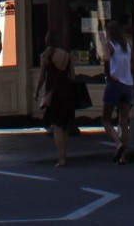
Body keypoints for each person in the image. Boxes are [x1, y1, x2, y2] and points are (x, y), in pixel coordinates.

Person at [31, 28, 77, 168]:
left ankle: (61, 158)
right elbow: (73, 77)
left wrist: (37, 91)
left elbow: (41, 78)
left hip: (53, 92)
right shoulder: (67, 56)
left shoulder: (45, 56)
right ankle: (65, 156)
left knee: (56, 126)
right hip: (65, 92)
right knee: (63, 126)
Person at [97, 20, 134, 152]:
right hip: (128, 84)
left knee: (106, 120)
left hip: (115, 83)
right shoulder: (128, 46)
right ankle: (124, 155)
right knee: (124, 120)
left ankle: (117, 142)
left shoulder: (110, 45)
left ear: (109, 33)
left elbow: (106, 60)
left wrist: (108, 74)